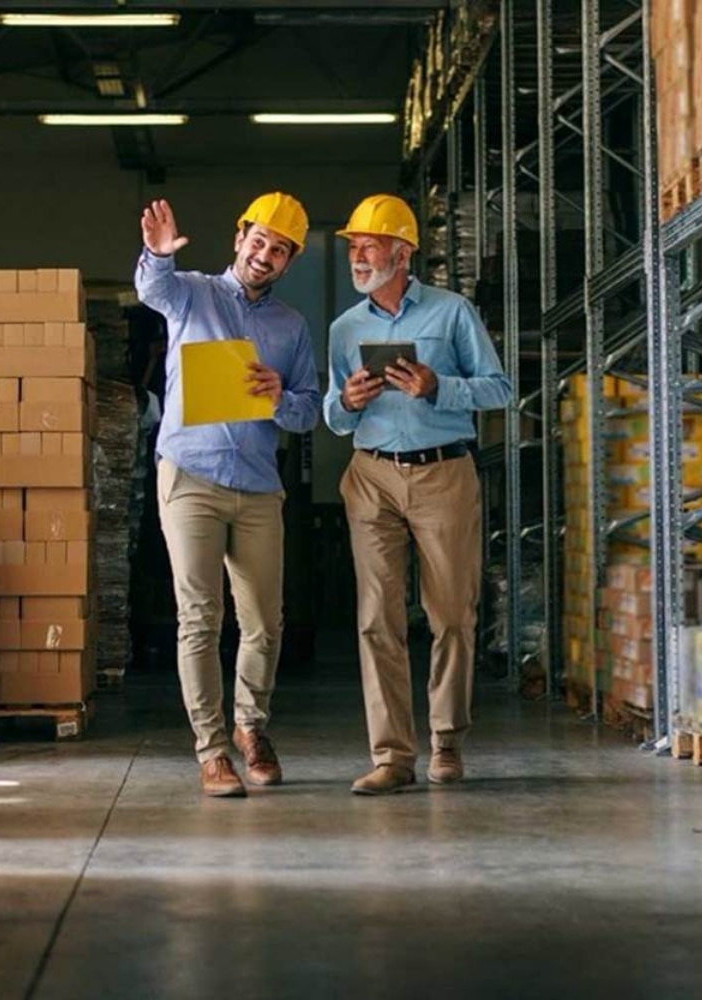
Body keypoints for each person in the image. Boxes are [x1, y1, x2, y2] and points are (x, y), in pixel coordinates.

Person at [324, 193, 513, 795]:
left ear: (402, 253)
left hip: (443, 473)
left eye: (369, 246)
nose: (358, 257)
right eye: (354, 248)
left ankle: (447, 741)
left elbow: (499, 389)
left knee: (451, 613)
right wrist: (346, 401)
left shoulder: (452, 313)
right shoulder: (344, 328)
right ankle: (391, 756)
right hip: (371, 475)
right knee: (377, 618)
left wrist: (438, 387)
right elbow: (334, 416)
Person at [135, 193, 322, 798]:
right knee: (200, 617)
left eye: (280, 249)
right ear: (240, 237)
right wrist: (158, 254)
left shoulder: (291, 328)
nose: (265, 255)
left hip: (259, 485)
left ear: (289, 261)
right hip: (191, 474)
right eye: (259, 240)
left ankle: (250, 726)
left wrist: (279, 396)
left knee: (264, 621)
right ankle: (212, 751)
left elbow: (308, 412)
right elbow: (151, 289)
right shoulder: (191, 293)